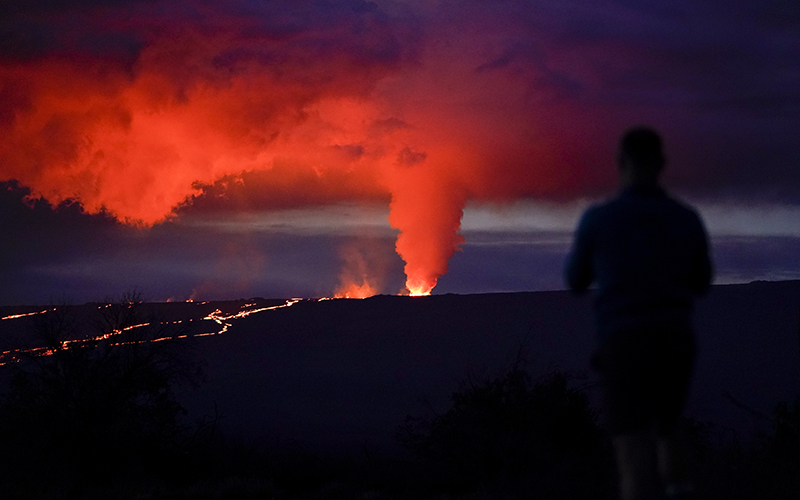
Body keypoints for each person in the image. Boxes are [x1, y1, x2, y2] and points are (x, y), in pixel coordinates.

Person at [565, 126, 712, 500]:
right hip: (675, 340)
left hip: (623, 341)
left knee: (631, 448)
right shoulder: (686, 218)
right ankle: (679, 488)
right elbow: (701, 281)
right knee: (669, 428)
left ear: (619, 163)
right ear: (662, 163)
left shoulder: (599, 219)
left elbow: (576, 280)